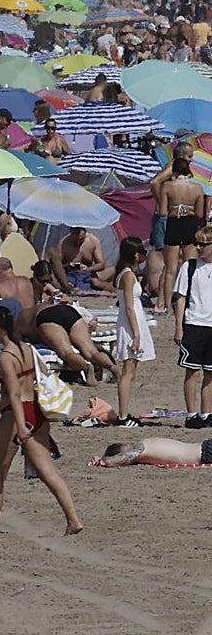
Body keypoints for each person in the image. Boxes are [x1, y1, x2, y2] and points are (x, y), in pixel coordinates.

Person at [0, 305, 83, 537]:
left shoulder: (7, 357)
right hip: (36, 411)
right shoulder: (28, 350)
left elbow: (13, 394)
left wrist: (21, 425)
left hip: (16, 417)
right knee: (49, 473)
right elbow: (42, 375)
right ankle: (73, 520)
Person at [16, 301, 118, 387]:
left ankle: (87, 367)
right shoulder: (41, 305)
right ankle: (112, 366)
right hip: (68, 311)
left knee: (66, 353)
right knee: (91, 351)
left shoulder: (19, 321)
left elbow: (22, 342)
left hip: (46, 317)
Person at [112, 237, 154, 427]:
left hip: (132, 321)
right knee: (128, 372)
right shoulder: (128, 275)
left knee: (130, 371)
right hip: (131, 324)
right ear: (136, 254)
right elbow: (129, 307)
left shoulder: (124, 273)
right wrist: (136, 335)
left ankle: (124, 413)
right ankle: (123, 415)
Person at [174, 225, 212, 429]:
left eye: (203, 244)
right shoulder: (188, 267)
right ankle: (191, 413)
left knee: (210, 373)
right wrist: (179, 327)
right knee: (192, 372)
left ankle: (207, 414)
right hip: (194, 323)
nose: (198, 248)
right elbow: (180, 298)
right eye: (197, 244)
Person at [160, 157, 204, 316]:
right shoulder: (197, 188)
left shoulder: (167, 186)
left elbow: (163, 212)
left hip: (174, 223)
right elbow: (199, 214)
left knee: (170, 269)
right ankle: (189, 301)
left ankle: (168, 306)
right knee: (190, 267)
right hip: (190, 223)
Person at [45, 226, 105, 294]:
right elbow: (57, 266)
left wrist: (89, 268)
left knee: (88, 285)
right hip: (70, 274)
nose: (78, 243)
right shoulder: (64, 243)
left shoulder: (93, 241)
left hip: (86, 274)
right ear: (71, 233)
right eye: (75, 240)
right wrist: (68, 265)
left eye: (81, 240)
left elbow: (101, 264)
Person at [95, 437, 212, 467]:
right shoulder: (147, 443)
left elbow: (118, 460)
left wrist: (103, 460)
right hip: (204, 449)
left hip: (205, 452)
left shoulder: (142, 447)